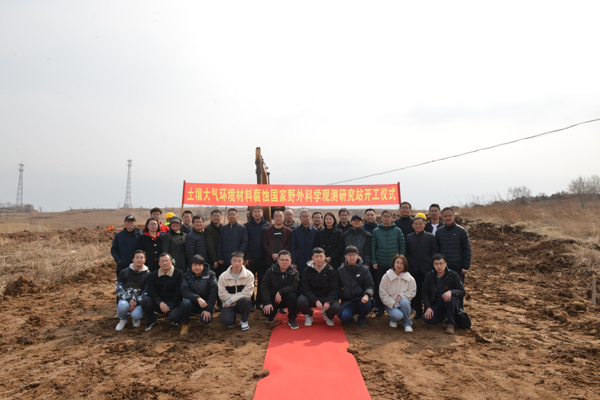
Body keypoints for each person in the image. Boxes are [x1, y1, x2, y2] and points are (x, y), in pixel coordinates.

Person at [371, 210, 406, 317]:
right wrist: (374, 260)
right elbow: (373, 247)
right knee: (380, 286)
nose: (386, 218)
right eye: (384, 216)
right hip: (380, 263)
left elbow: (402, 246)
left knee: (396, 287)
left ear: (392, 218)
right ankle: (380, 308)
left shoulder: (398, 231)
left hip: (394, 265)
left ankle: (395, 307)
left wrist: (401, 261)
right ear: (381, 218)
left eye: (388, 216)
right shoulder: (376, 231)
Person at [405, 216, 438, 319]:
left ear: (424, 225)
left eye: (420, 224)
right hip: (413, 269)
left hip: (427, 268)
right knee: (416, 290)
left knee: (429, 290)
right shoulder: (409, 237)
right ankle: (418, 311)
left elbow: (435, 250)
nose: (418, 226)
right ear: (412, 225)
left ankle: (429, 309)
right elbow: (406, 251)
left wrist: (429, 260)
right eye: (416, 224)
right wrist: (410, 261)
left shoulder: (430, 237)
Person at [423, 254, 465, 334]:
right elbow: (425, 293)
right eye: (436, 264)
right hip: (436, 303)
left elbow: (462, 291)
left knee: (449, 299)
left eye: (441, 263)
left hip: (450, 303)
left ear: (445, 264)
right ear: (433, 265)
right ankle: (445, 317)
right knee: (427, 319)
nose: (439, 266)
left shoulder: (453, 275)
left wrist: (451, 292)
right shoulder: (429, 276)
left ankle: (450, 323)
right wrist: (428, 307)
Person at [297, 248, 340, 327]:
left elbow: (335, 288)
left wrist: (328, 301)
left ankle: (328, 315)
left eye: (321, 256)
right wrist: (315, 300)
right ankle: (308, 314)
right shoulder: (307, 270)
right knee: (301, 300)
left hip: (326, 297)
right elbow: (305, 288)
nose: (319, 259)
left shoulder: (331, 270)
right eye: (316, 256)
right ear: (312, 258)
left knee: (336, 307)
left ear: (325, 257)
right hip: (312, 298)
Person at [142, 253, 184, 331]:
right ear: (159, 263)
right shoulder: (153, 274)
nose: (164, 263)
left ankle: (174, 320)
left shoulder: (179, 273)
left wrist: (170, 305)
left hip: (174, 303)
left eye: (166, 261)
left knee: (174, 317)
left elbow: (179, 292)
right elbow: (151, 290)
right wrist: (160, 302)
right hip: (160, 303)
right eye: (162, 261)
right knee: (145, 300)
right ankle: (152, 321)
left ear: (171, 262)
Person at [337, 246, 374, 328]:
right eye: (349, 255)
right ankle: (350, 318)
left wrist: (367, 295)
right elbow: (337, 288)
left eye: (354, 255)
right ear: (345, 257)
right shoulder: (340, 271)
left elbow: (370, 285)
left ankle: (362, 319)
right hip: (348, 301)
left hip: (361, 299)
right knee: (345, 316)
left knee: (367, 304)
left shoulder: (364, 270)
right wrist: (343, 295)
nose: (351, 257)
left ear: (358, 256)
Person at [261, 250, 300, 329]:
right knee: (267, 312)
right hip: (273, 299)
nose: (284, 262)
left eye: (287, 260)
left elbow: (294, 286)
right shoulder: (270, 271)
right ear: (278, 260)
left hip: (287, 299)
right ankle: (273, 313)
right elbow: (264, 287)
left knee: (292, 296)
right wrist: (267, 302)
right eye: (282, 260)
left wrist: (280, 292)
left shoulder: (294, 272)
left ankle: (292, 319)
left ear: (290, 261)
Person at [180, 255, 218, 335]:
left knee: (206, 321)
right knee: (185, 303)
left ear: (203, 265)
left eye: (200, 265)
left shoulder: (210, 274)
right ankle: (185, 323)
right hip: (192, 302)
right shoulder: (186, 276)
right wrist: (197, 298)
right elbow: (184, 291)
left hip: (205, 304)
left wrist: (208, 309)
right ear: (191, 266)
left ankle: (205, 315)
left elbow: (213, 292)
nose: (197, 267)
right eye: (195, 265)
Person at [115, 250, 151, 331]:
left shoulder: (148, 274)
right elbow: (119, 288)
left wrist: (136, 302)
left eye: (141, 258)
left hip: (138, 302)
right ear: (133, 260)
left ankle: (135, 319)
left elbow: (147, 291)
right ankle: (123, 319)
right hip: (126, 300)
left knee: (136, 315)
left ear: (145, 260)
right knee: (122, 306)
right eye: (137, 257)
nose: (139, 260)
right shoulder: (124, 272)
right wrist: (129, 300)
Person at [379, 254, 416, 332]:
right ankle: (393, 319)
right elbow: (383, 293)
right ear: (393, 263)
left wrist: (400, 297)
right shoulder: (386, 276)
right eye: (397, 262)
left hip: (403, 304)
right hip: (391, 304)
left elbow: (412, 291)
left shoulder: (409, 278)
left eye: (402, 263)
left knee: (405, 301)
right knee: (398, 315)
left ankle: (407, 323)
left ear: (405, 265)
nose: (399, 265)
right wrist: (393, 303)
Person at [218, 251, 254, 331]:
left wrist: (231, 300)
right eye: (234, 261)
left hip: (240, 303)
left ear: (243, 262)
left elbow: (247, 293)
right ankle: (232, 318)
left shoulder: (249, 275)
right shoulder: (223, 276)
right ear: (231, 261)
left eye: (239, 261)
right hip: (229, 305)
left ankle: (244, 320)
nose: (237, 263)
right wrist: (231, 301)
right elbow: (222, 294)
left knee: (245, 300)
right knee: (226, 321)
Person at [436, 207, 472, 283]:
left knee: (457, 288)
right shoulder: (439, 232)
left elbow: (467, 249)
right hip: (443, 267)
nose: (448, 218)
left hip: (457, 267)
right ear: (442, 217)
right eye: (445, 216)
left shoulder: (462, 231)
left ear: (454, 216)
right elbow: (436, 249)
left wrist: (465, 266)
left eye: (450, 215)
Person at [245, 206, 270, 310]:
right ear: (252, 213)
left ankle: (259, 302)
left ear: (262, 213)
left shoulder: (267, 225)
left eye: (259, 212)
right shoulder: (247, 226)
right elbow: (245, 242)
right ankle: (251, 302)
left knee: (261, 281)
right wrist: (246, 256)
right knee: (250, 281)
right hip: (251, 258)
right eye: (255, 212)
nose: (257, 213)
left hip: (263, 258)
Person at [291, 209, 318, 277]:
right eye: (303, 216)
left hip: (312, 261)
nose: (305, 218)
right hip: (299, 262)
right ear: (300, 218)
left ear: (310, 218)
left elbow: (317, 247)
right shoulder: (295, 231)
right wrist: (294, 262)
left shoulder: (315, 231)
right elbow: (293, 247)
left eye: (307, 216)